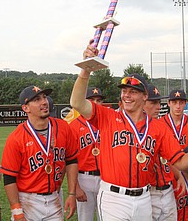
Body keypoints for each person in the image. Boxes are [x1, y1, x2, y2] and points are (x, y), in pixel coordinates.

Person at [70, 40, 188, 220]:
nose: (126, 95)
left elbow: (180, 163)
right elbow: (77, 103)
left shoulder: (157, 128)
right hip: (113, 197)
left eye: (133, 91)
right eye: (124, 90)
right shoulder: (107, 117)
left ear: (145, 96)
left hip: (144, 197)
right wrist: (86, 69)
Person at [1, 85, 78, 220]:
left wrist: (71, 193)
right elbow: (9, 178)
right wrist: (16, 210)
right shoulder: (16, 138)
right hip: (27, 199)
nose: (44, 102)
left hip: (55, 196)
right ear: (26, 108)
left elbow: (71, 160)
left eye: (44, 97)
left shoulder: (63, 127)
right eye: (36, 99)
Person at [143, 84, 183, 221]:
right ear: (142, 102)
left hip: (168, 189)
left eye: (159, 102)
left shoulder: (161, 127)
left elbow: (169, 157)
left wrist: (179, 176)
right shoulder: (133, 130)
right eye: (153, 103)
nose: (158, 107)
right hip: (148, 192)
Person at [69, 87, 104, 221]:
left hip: (105, 178)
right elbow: (70, 160)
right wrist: (76, 187)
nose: (95, 103)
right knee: (85, 218)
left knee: (106, 216)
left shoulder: (107, 123)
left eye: (99, 100)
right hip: (84, 177)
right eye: (91, 100)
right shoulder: (74, 125)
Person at [159, 89, 188, 220]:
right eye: (174, 102)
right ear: (169, 103)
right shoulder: (160, 124)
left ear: (185, 104)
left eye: (181, 102)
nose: (178, 106)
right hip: (167, 174)